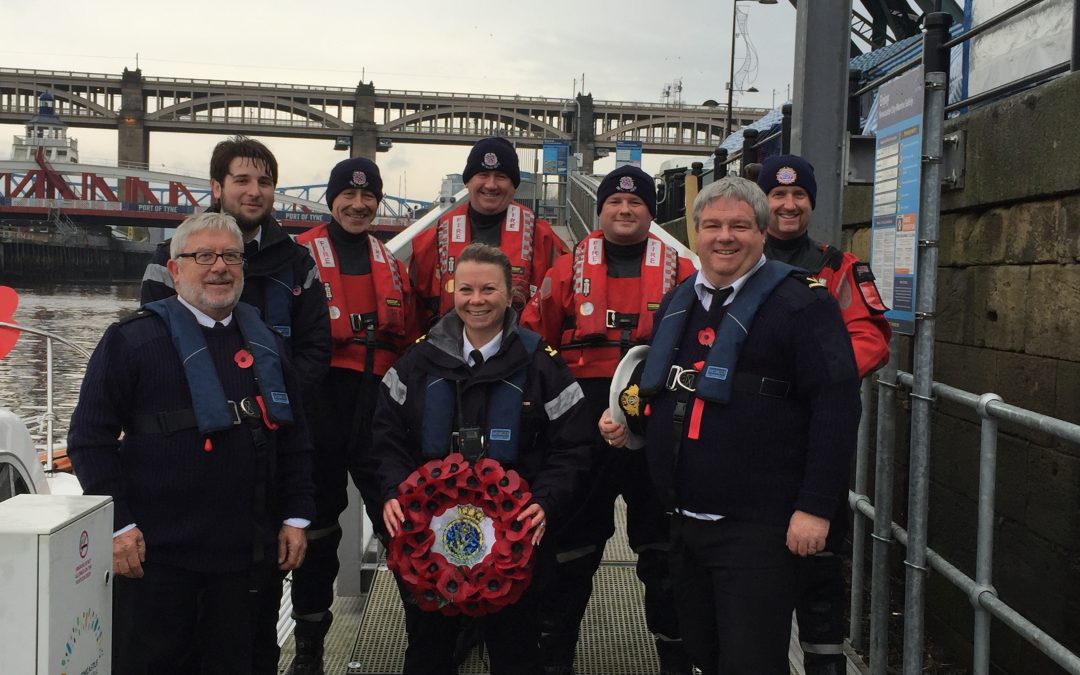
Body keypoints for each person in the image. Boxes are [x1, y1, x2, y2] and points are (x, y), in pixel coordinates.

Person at [600, 177, 862, 674]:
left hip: (758, 529)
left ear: (763, 233)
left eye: (740, 226)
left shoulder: (805, 305)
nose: (725, 237)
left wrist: (816, 508)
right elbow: (664, 387)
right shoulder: (681, 299)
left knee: (752, 662)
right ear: (695, 233)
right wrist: (626, 418)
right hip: (685, 522)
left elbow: (837, 406)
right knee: (705, 655)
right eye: (713, 225)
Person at [68, 212, 315, 675]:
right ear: (176, 269)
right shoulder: (130, 341)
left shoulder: (270, 346)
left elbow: (297, 439)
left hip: (247, 561)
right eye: (203, 256)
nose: (219, 267)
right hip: (157, 562)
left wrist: (297, 516)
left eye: (231, 257)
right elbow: (88, 440)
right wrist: (119, 525)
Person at [139, 136, 330, 672]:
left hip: (267, 451)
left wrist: (275, 406)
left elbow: (315, 351)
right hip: (191, 454)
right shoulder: (167, 259)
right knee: (176, 622)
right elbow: (152, 350)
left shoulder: (297, 264)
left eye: (265, 181)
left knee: (253, 613)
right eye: (242, 180)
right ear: (217, 187)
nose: (254, 191)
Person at [371, 242, 592, 674]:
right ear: (452, 291)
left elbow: (574, 446)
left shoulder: (542, 365)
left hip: (513, 542)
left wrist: (544, 502)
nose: (476, 301)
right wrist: (392, 490)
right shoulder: (417, 361)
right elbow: (385, 436)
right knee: (427, 652)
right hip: (429, 541)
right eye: (466, 289)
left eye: (489, 289)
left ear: (511, 294)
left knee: (517, 652)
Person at [520, 165, 697, 675]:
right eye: (615, 203)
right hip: (583, 424)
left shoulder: (683, 272)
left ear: (650, 211)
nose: (625, 210)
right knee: (570, 548)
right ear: (600, 210)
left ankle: (675, 658)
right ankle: (554, 658)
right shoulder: (567, 268)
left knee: (663, 554)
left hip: (656, 422)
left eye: (636, 203)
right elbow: (536, 342)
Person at [757, 154, 891, 675]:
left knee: (819, 567)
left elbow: (871, 337)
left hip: (819, 433)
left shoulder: (840, 267)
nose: (788, 205)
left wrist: (811, 376)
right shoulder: (741, 261)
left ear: (812, 201)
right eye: (778, 195)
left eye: (799, 196)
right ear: (763, 200)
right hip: (755, 436)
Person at [289, 157, 421, 674]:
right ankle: (308, 651)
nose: (359, 205)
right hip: (317, 406)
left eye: (368, 197)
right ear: (332, 198)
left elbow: (411, 341)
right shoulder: (297, 258)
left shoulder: (391, 263)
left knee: (402, 523)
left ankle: (424, 639)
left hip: (376, 409)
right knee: (317, 532)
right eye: (348, 195)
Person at [410, 136, 568, 322]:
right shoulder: (433, 240)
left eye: (501, 176)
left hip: (519, 345)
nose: (491, 185)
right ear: (468, 181)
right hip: (450, 345)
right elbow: (414, 311)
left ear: (514, 185)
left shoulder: (542, 238)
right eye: (483, 174)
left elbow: (562, 298)